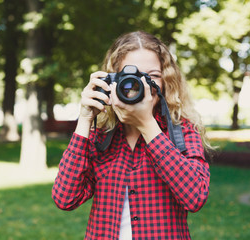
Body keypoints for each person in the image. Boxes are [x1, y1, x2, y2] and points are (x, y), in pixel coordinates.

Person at [52, 31, 211, 240]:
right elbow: (65, 198)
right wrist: (84, 119)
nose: (142, 85)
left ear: (166, 81)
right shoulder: (101, 137)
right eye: (133, 76)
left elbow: (195, 197)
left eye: (152, 76)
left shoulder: (182, 131)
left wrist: (147, 125)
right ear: (113, 81)